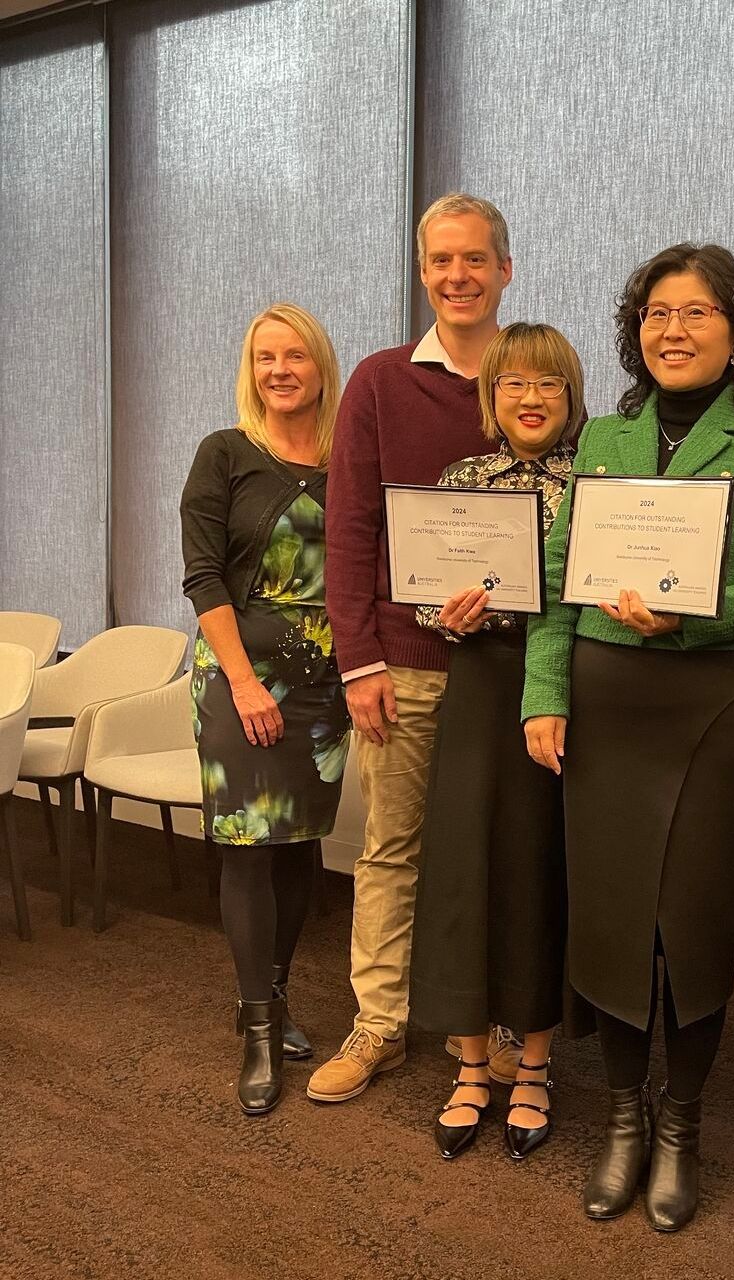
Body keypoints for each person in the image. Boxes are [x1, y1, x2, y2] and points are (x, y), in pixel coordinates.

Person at [523, 243, 734, 1231]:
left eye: (695, 312)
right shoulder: (604, 442)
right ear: (635, 329)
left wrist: (695, 610)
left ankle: (682, 1123)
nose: (673, 329)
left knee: (688, 921)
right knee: (611, 915)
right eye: (656, 312)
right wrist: (542, 693)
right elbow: (558, 577)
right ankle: (623, 1115)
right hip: (606, 703)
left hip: (709, 704)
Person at [308, 193, 520, 1104]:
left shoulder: (536, 378)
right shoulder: (379, 382)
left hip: (512, 670)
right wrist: (357, 662)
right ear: (423, 272)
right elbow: (349, 528)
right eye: (440, 261)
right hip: (402, 665)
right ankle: (381, 1025)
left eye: (474, 259)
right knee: (391, 849)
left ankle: (503, 1020)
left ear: (505, 269)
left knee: (507, 851)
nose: (457, 276)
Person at [407, 323, 586, 1161]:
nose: (530, 398)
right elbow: (418, 594)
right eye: (513, 383)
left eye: (548, 383)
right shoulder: (461, 482)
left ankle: (538, 1065)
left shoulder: (597, 481)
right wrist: (440, 613)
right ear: (491, 396)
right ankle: (473, 1066)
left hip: (559, 694)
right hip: (477, 686)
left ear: (570, 396)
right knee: (465, 869)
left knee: (540, 868)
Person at [181, 302, 350, 1115]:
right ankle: (256, 1030)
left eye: (294, 356)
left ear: (320, 365)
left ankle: (275, 996)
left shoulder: (350, 457)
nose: (279, 370)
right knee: (249, 845)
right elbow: (203, 577)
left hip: (326, 688)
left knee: (297, 844)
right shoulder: (225, 453)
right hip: (238, 680)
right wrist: (245, 683)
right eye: (263, 358)